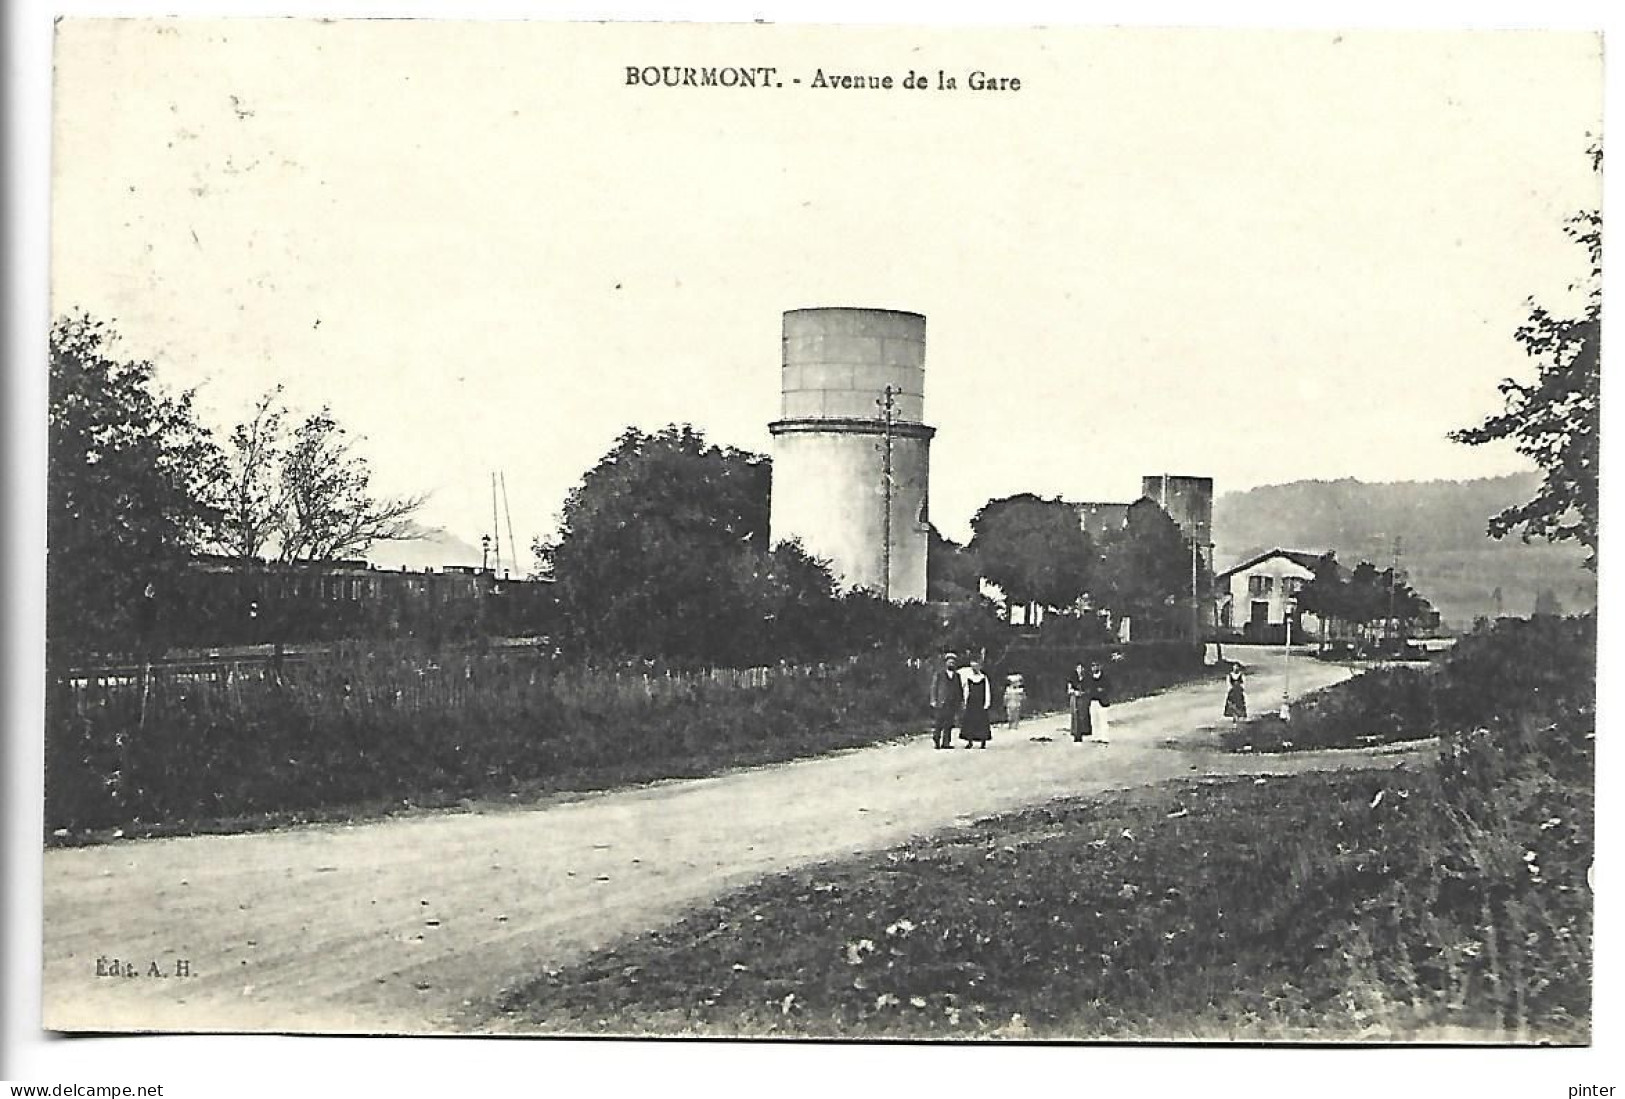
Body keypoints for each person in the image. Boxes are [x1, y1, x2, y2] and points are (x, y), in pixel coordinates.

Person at [928, 651, 961, 749]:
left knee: (949, 723)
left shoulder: (957, 675)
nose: (951, 664)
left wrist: (960, 700)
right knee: (939, 722)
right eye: (949, 662)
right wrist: (933, 699)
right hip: (941, 702)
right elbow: (934, 687)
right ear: (946, 663)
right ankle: (936, 740)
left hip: (952, 703)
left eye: (953, 662)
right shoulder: (939, 674)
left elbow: (959, 689)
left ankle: (946, 742)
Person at [958, 659, 993, 748]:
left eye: (976, 667)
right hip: (971, 703)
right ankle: (970, 741)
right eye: (973, 667)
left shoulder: (984, 677)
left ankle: (983, 741)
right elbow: (966, 691)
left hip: (981, 704)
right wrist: (965, 702)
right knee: (970, 723)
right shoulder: (969, 678)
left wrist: (987, 703)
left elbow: (987, 691)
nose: (975, 669)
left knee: (982, 723)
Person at [1086, 661, 1111, 740]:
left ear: (1100, 666)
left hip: (1102, 701)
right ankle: (1095, 736)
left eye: (1097, 665)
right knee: (1094, 720)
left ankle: (1104, 736)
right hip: (1093, 701)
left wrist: (1103, 690)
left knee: (1103, 719)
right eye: (1093, 666)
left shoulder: (1105, 677)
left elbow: (1110, 687)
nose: (1095, 667)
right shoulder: (1089, 678)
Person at [1066, 661, 1090, 741]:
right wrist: (1075, 692)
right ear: (1076, 669)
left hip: (1083, 698)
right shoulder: (1072, 677)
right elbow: (1069, 690)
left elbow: (1089, 688)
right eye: (1079, 668)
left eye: (1082, 668)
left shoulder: (1086, 678)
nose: (1081, 670)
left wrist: (1084, 692)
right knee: (1075, 715)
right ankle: (1076, 735)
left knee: (1083, 715)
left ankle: (1083, 732)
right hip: (1075, 698)